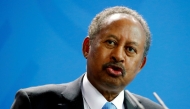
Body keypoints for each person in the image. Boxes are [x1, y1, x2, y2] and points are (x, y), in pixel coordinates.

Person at [11, 6, 164, 109]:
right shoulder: (34, 103)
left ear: (141, 65)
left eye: (130, 49)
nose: (118, 55)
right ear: (87, 47)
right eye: (110, 42)